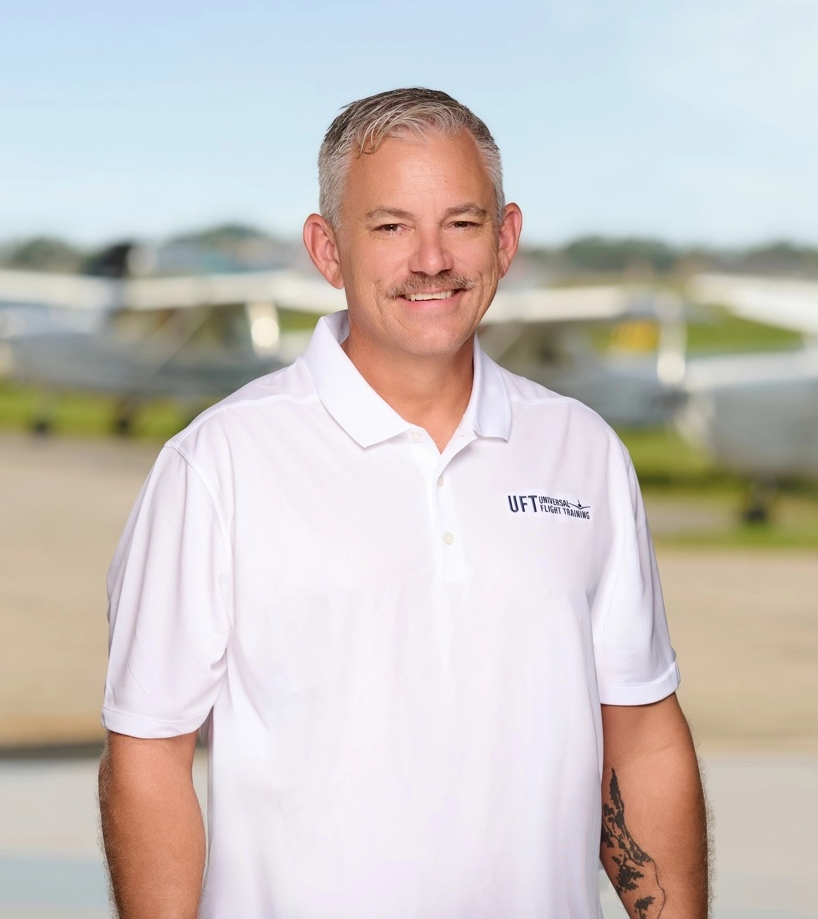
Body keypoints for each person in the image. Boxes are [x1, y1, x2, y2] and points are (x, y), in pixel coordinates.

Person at [99, 87, 708, 919]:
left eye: (461, 223)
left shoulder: (584, 451)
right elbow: (147, 756)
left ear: (505, 239)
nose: (431, 259)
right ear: (327, 249)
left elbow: (638, 737)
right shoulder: (216, 464)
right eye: (389, 227)